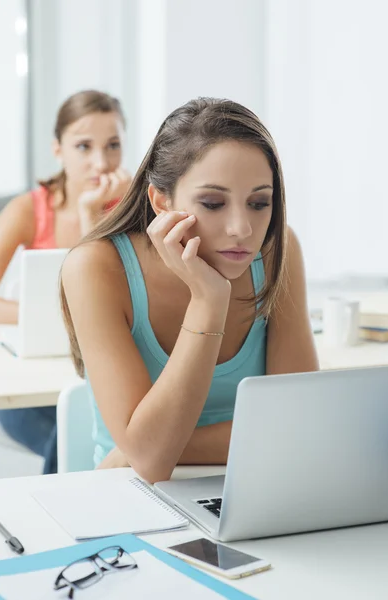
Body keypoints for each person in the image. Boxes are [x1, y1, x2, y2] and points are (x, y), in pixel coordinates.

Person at [61, 97, 319, 483]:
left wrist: (142, 446)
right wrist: (208, 300)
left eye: (259, 203)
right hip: (128, 493)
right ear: (161, 202)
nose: (242, 229)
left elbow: (297, 428)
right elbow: (151, 463)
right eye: (213, 203)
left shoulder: (276, 249)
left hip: (257, 483)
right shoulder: (96, 267)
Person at [0, 89, 131, 474]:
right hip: (35, 389)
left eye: (113, 145)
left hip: (99, 375)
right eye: (84, 146)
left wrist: (92, 217)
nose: (100, 162)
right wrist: (41, 315)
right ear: (58, 150)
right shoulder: (28, 210)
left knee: (87, 419)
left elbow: (122, 297)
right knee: (70, 429)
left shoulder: (133, 208)